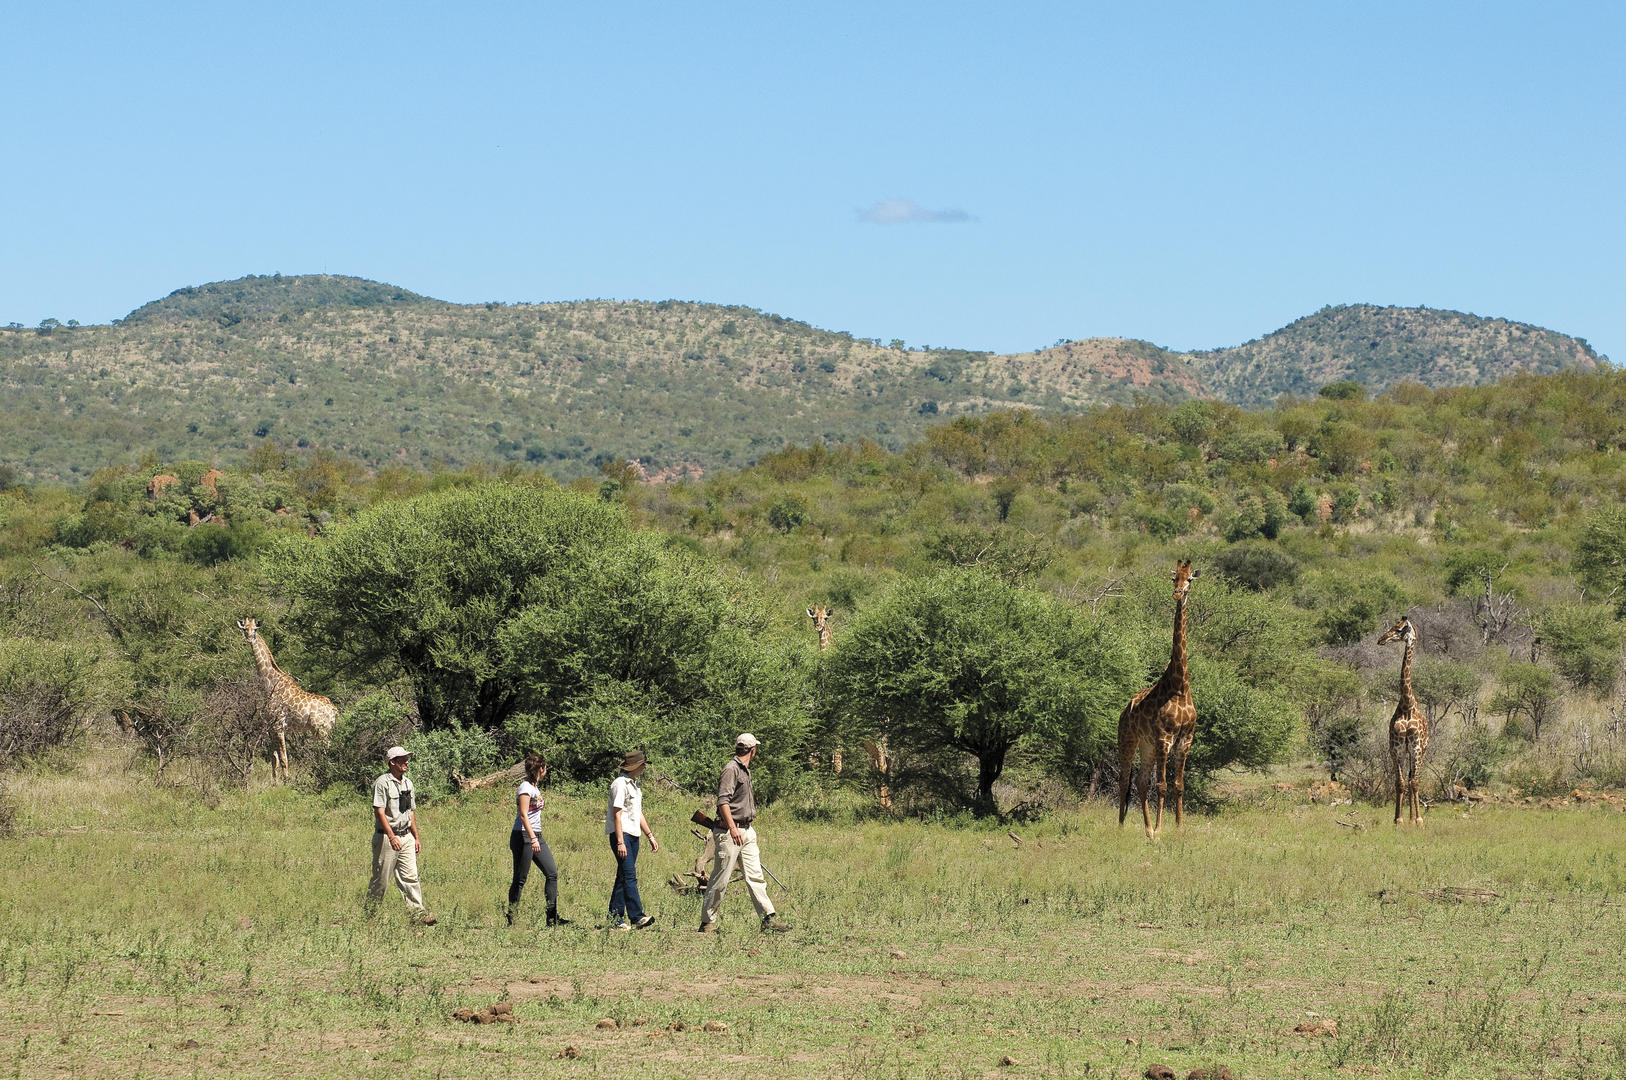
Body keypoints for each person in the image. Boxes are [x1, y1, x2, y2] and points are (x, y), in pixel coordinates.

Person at [699, 734, 789, 933]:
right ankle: (707, 922)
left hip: (747, 831)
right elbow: (723, 801)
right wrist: (732, 828)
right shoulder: (731, 769)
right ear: (753, 750)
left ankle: (768, 918)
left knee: (755, 875)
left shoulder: (743, 770)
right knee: (720, 879)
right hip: (730, 832)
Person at [369, 746, 435, 925]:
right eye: (402, 759)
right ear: (392, 762)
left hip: (406, 837)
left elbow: (410, 812)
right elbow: (380, 812)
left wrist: (416, 837)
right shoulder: (382, 783)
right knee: (381, 881)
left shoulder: (408, 783)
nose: (406, 762)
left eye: (407, 758)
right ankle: (369, 917)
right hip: (387, 837)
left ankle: (418, 916)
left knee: (410, 878)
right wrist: (391, 837)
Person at [508, 752, 568, 926]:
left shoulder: (534, 787)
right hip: (523, 835)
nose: (546, 770)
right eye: (545, 767)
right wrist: (533, 838)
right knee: (520, 879)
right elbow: (524, 815)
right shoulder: (525, 788)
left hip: (536, 835)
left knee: (552, 873)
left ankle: (552, 917)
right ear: (541, 768)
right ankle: (512, 918)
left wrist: (536, 837)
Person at [606, 749, 660, 930]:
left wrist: (650, 835)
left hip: (633, 834)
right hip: (622, 835)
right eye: (643, 764)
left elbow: (638, 813)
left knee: (623, 875)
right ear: (636, 766)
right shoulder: (620, 784)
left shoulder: (634, 785)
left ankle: (614, 918)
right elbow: (617, 813)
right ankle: (637, 917)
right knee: (629, 876)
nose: (644, 768)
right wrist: (620, 841)